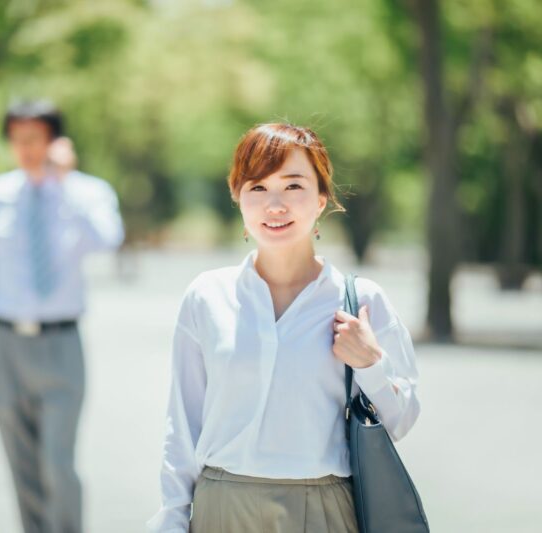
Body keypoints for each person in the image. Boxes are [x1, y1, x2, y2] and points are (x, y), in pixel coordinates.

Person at [147, 123, 420, 533]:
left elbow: (401, 419)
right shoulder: (207, 297)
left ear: (322, 199)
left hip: (322, 507)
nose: (275, 205)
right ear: (237, 197)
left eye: (293, 187)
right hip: (221, 505)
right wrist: (170, 520)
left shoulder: (360, 301)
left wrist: (370, 364)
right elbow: (182, 425)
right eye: (257, 188)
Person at [0, 100, 124, 533]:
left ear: (55, 141)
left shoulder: (87, 192)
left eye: (35, 138)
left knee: (57, 462)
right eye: (18, 138)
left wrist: (63, 183)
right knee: (20, 463)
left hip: (62, 345)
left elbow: (108, 239)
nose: (26, 148)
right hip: (7, 344)